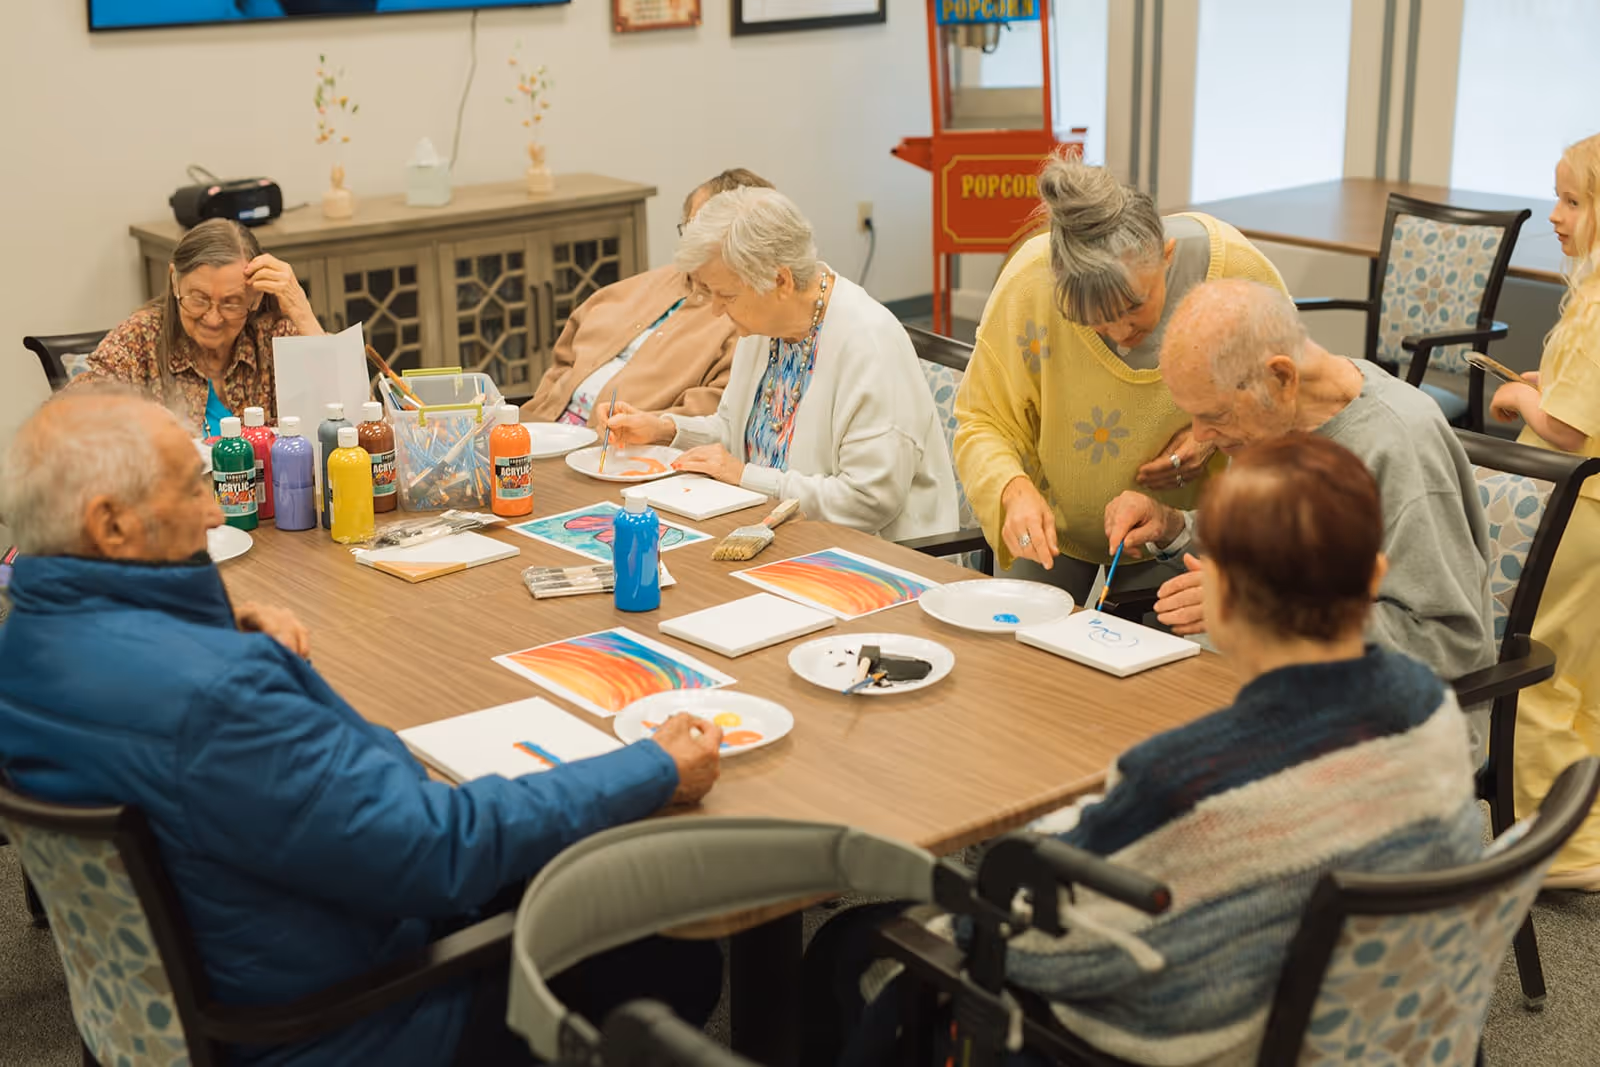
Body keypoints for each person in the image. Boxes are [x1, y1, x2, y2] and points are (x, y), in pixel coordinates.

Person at [0, 389, 725, 1067]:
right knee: (664, 942)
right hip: (341, 1025)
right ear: (110, 523)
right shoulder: (220, 698)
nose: (218, 512)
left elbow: (149, 717)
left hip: (188, 1000)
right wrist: (651, 767)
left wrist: (221, 626)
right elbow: (440, 847)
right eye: (194, 486)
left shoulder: (25, 647)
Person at [809, 435, 1483, 1067]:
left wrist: (977, 910)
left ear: (1216, 594)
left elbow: (1050, 948)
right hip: (1366, 1026)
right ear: (1375, 575)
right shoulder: (1431, 712)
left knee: (850, 946)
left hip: (1195, 1039)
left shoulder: (1185, 779)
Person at [1104, 280, 1495, 724]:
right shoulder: (1270, 422)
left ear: (1282, 377)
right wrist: (1173, 528)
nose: (1198, 437)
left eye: (1213, 415)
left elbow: (1449, 644)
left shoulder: (1399, 443)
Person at [954, 156, 1288, 602]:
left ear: (1166, 256)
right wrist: (1012, 492)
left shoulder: (1236, 273)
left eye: (1133, 308)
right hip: (1053, 528)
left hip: (1186, 532)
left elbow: (1287, 396)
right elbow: (982, 421)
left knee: (1165, 667)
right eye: (1093, 322)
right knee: (1023, 659)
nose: (1120, 335)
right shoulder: (1031, 284)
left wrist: (1211, 435)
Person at [601, 187, 958, 541]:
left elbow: (867, 502)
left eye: (726, 295)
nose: (716, 310)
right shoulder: (766, 325)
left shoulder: (869, 342)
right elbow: (736, 431)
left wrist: (744, 476)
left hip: (872, 558)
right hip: (774, 533)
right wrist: (663, 429)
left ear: (781, 281)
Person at [1490, 133, 1600, 890]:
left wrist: (1522, 396)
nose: (1554, 215)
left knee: (1535, 666)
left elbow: (1563, 427)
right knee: (1582, 675)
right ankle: (1584, 818)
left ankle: (1567, 851)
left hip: (1574, 507)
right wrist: (1548, 379)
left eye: (1572, 201)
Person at [520, 169, 774, 427]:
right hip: (544, 428)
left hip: (618, 450)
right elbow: (562, 362)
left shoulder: (748, 323)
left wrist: (639, 427)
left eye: (706, 237)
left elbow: (713, 417)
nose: (694, 247)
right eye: (690, 230)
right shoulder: (634, 287)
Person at [74, 218, 322, 438]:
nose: (213, 319)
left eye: (231, 303)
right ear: (174, 281)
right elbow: (65, 415)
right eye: (198, 299)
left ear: (255, 298)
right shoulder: (142, 337)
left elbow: (347, 417)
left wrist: (304, 316)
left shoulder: (273, 336)